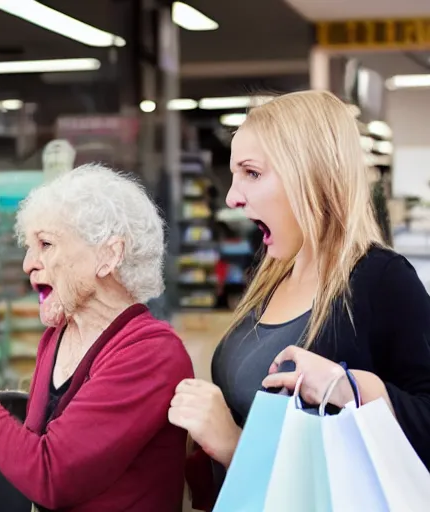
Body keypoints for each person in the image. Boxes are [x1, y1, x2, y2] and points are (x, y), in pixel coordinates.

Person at [168, 90, 430, 510]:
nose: (232, 197)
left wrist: (352, 389)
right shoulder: (273, 271)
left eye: (251, 173)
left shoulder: (381, 281)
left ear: (309, 174)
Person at [0, 164, 194, 512]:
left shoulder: (151, 353)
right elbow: (49, 437)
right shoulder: (58, 335)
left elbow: (53, 476)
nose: (28, 264)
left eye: (46, 244)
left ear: (109, 255)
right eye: (29, 247)